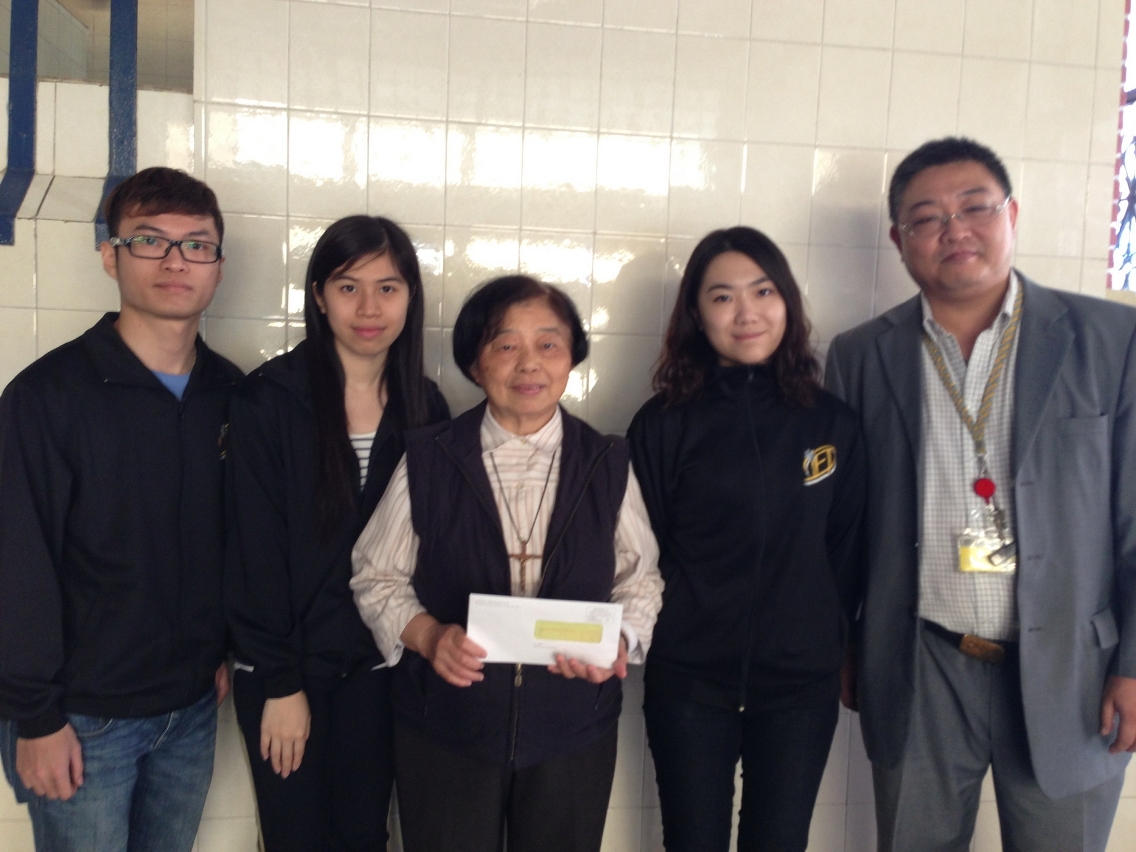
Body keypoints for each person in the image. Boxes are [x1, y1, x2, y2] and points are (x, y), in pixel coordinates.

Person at [825, 136, 1136, 852]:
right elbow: (842, 522)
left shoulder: (1112, 338)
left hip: (1075, 670)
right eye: (927, 218)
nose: (954, 230)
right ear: (900, 240)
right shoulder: (860, 355)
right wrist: (844, 642)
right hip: (920, 661)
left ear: (1012, 215)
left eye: (975, 207)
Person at [350, 275, 663, 852]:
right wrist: (429, 636)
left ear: (571, 358)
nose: (529, 363)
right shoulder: (429, 458)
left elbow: (639, 580)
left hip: (573, 730)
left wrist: (619, 642)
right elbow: (375, 575)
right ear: (475, 363)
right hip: (448, 728)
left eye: (548, 344)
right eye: (506, 344)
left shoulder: (606, 462)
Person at [0, 167, 240, 852]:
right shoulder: (48, 396)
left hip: (192, 709)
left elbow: (232, 540)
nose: (175, 261)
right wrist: (35, 717)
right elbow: (17, 563)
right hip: (81, 718)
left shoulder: (231, 395)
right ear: (110, 256)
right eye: (150, 240)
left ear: (218, 267)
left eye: (197, 245)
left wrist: (224, 646)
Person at [627, 227, 865, 852]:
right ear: (696, 314)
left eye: (763, 291)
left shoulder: (832, 423)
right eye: (722, 296)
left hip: (800, 685)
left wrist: (833, 643)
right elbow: (641, 554)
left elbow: (844, 549)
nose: (747, 312)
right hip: (689, 680)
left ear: (786, 300)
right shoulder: (662, 424)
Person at [224, 216, 449, 850]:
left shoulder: (425, 407)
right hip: (284, 668)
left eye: (388, 288)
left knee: (363, 836)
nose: (369, 308)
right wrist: (281, 682)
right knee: (295, 838)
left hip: (377, 670)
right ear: (319, 297)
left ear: (410, 298)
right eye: (349, 287)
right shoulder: (269, 400)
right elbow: (253, 554)